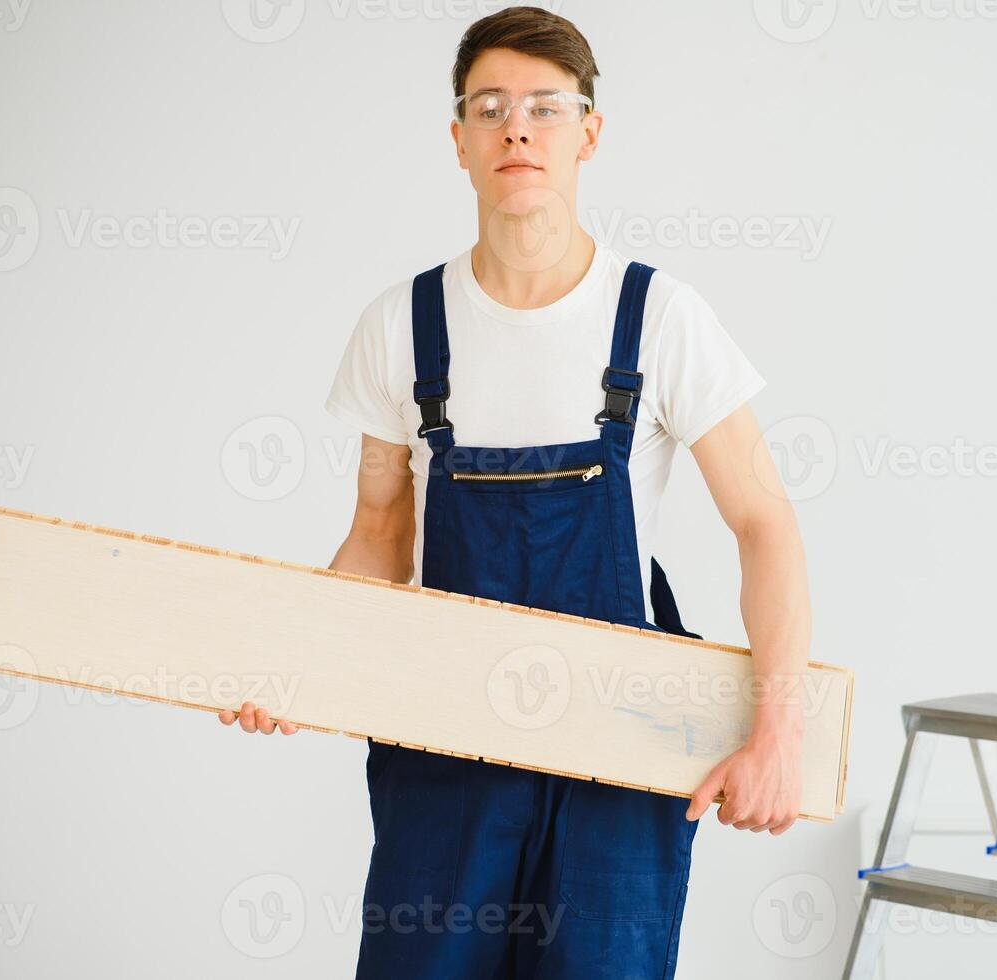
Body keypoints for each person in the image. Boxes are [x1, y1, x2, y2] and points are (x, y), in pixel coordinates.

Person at [219, 7, 813, 977]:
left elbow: (764, 522)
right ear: (457, 137)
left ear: (589, 131)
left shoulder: (658, 317)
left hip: (620, 756)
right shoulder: (401, 325)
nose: (517, 129)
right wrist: (298, 656)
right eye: (489, 107)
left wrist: (776, 727)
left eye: (545, 106)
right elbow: (376, 531)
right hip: (444, 750)